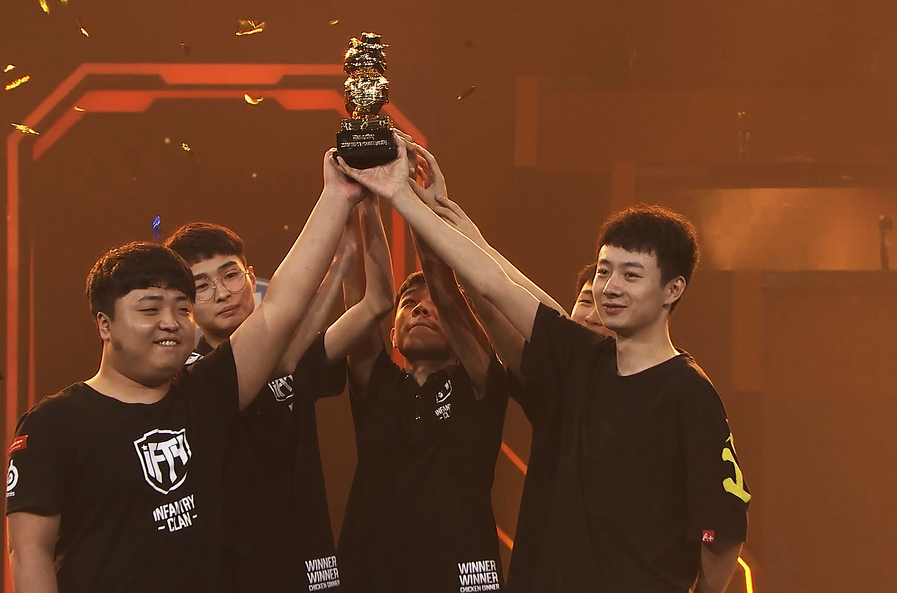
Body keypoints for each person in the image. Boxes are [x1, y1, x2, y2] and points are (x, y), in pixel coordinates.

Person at [337, 138, 750, 593]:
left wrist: (404, 198)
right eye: (604, 271)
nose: (610, 287)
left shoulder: (688, 393)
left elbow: (721, 532)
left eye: (631, 275)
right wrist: (426, 205)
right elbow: (494, 284)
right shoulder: (582, 360)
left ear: (673, 289)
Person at [5, 149, 363, 593]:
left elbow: (279, 309)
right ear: (104, 324)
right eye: (149, 309)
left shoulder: (204, 395)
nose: (170, 323)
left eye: (181, 308)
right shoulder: (53, 423)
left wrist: (336, 194)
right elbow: (29, 553)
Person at [336, 170, 511, 593]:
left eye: (432, 305)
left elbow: (448, 293)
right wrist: (362, 199)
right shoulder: (376, 384)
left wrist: (414, 203)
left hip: (462, 578)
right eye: (409, 304)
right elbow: (359, 298)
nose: (421, 309)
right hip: (371, 576)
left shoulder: (480, 383)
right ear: (393, 334)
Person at [163, 220, 355, 593]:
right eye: (201, 286)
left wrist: (347, 252)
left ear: (251, 277)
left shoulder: (294, 352)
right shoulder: (182, 380)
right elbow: (280, 347)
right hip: (225, 572)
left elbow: (370, 307)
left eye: (230, 275)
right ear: (184, 303)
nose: (222, 293)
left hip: (306, 565)